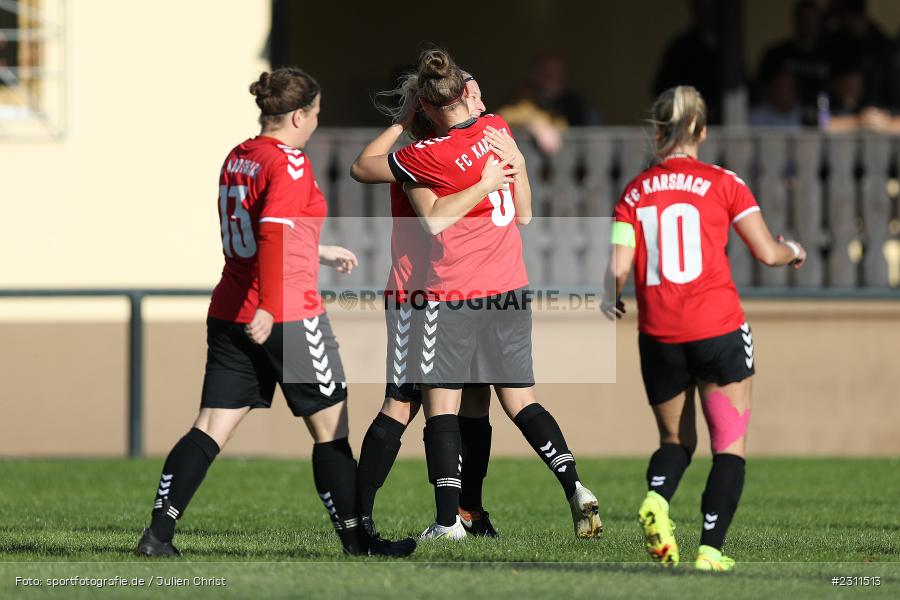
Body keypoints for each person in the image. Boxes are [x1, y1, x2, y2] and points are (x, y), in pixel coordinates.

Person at [135, 67, 413, 558]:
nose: (316, 125)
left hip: (229, 311)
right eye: (316, 115)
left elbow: (263, 228)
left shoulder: (239, 156)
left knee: (211, 425)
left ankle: (158, 534)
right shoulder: (290, 163)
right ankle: (357, 543)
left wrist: (318, 250)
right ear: (299, 115)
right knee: (331, 431)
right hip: (287, 314)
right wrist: (268, 304)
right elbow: (272, 234)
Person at [352, 49, 602, 541]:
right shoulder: (497, 130)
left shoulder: (427, 155)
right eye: (477, 89)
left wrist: (404, 125)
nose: (482, 96)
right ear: (464, 95)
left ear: (423, 103)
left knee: (417, 406)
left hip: (444, 294)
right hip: (508, 290)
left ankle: (432, 520)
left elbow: (372, 173)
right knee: (498, 402)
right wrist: (511, 168)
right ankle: (554, 489)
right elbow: (526, 215)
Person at [603, 86, 806, 571]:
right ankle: (710, 550)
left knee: (676, 443)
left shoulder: (633, 192)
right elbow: (764, 251)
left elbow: (616, 268)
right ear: (701, 130)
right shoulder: (724, 182)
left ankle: (657, 501)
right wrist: (792, 250)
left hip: (659, 337)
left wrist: (609, 298)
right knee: (728, 444)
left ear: (658, 131)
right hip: (717, 330)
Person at [356, 69, 512, 539]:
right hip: (417, 296)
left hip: (454, 297)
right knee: (402, 403)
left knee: (470, 401)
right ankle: (358, 516)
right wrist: (404, 120)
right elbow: (364, 167)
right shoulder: (418, 161)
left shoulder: (451, 151)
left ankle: (468, 512)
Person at [496, 56, 598, 155]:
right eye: (549, 74)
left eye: (561, 74)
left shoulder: (572, 101)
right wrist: (535, 124)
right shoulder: (523, 97)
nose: (557, 79)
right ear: (535, 75)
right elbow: (502, 117)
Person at [756, 0, 829, 126]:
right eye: (804, 19)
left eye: (813, 20)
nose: (808, 24)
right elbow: (760, 87)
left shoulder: (829, 54)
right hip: (778, 118)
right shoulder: (777, 54)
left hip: (819, 116)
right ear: (795, 20)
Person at [653, 0, 726, 125]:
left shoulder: (729, 47)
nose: (709, 13)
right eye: (704, 8)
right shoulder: (681, 48)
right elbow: (662, 89)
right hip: (687, 126)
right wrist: (694, 107)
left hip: (724, 122)